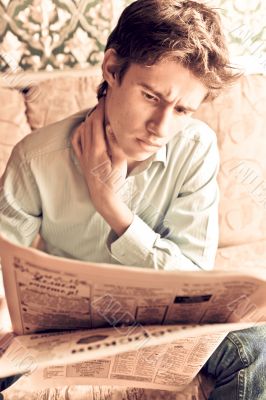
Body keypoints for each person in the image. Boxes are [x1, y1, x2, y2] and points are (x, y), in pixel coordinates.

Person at [0, 0, 265, 398]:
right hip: (66, 331)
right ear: (111, 69)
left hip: (166, 329)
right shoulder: (35, 158)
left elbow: (192, 279)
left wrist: (112, 206)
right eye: (151, 97)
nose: (161, 127)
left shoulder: (195, 148)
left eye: (182, 110)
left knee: (256, 348)